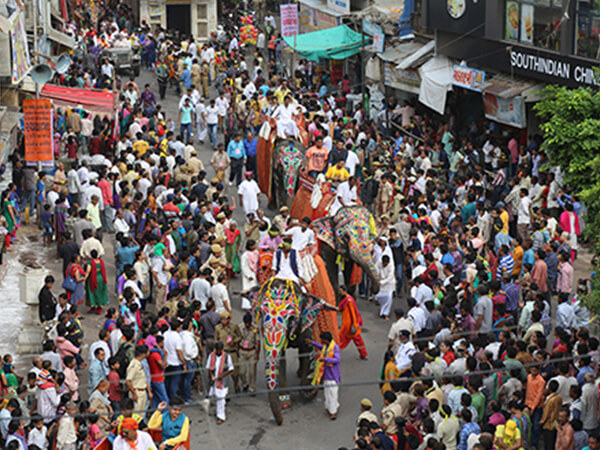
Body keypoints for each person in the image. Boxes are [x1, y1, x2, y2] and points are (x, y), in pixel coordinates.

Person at [308, 331, 340, 419]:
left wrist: (325, 359)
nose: (321, 341)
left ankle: (333, 413)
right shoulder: (326, 347)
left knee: (332, 393)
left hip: (333, 375)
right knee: (327, 393)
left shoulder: (335, 347)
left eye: (322, 340)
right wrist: (312, 343)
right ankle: (332, 406)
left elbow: (337, 359)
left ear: (326, 340)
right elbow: (320, 347)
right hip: (326, 374)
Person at [206, 341, 234, 424]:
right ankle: (219, 411)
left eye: (220, 350)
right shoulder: (211, 356)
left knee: (221, 398)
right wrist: (212, 376)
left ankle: (221, 416)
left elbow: (230, 368)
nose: (218, 352)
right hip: (214, 380)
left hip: (222, 381)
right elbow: (209, 367)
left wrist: (222, 375)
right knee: (218, 397)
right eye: (217, 350)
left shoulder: (227, 357)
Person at [338, 285, 367, 359]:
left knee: (340, 339)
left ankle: (332, 353)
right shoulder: (347, 299)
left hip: (348, 325)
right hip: (350, 325)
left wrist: (354, 324)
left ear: (345, 291)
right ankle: (363, 354)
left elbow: (353, 313)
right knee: (358, 340)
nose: (340, 293)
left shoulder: (349, 301)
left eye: (341, 291)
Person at [238, 312, 260, 392]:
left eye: (248, 323)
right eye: (246, 323)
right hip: (242, 351)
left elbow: (258, 342)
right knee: (241, 372)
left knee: (252, 372)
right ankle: (245, 384)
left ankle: (252, 388)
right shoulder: (240, 327)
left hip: (252, 351)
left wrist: (257, 354)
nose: (247, 325)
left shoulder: (255, 329)